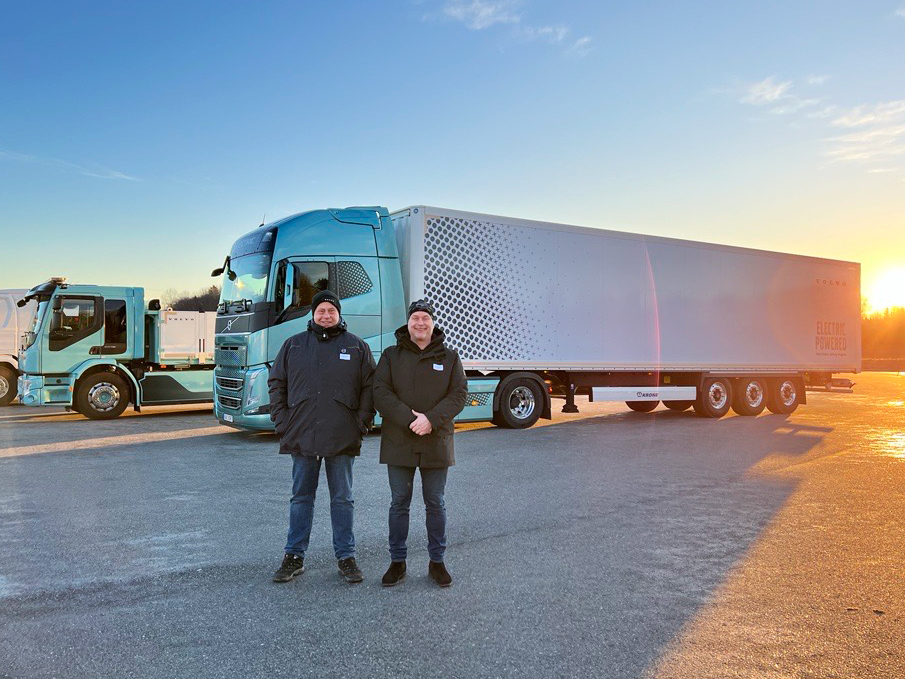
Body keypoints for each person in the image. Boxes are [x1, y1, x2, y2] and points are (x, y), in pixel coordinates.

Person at [268, 290, 376, 584]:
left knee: (342, 499)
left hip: (342, 436)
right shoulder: (294, 346)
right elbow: (277, 383)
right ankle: (294, 556)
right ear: (313, 315)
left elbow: (370, 388)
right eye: (321, 311)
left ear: (339, 314)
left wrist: (361, 423)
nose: (326, 315)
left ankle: (346, 556)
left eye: (331, 310)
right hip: (302, 434)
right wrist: (282, 422)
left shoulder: (356, 347)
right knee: (301, 497)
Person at [373, 299, 467, 587]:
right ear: (408, 323)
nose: (420, 323)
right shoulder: (391, 355)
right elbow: (380, 392)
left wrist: (431, 419)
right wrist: (409, 419)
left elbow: (459, 394)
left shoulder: (450, 357)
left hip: (435, 440)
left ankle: (437, 562)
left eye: (425, 318)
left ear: (433, 322)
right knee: (399, 502)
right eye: (415, 318)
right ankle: (397, 562)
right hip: (399, 440)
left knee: (435, 503)